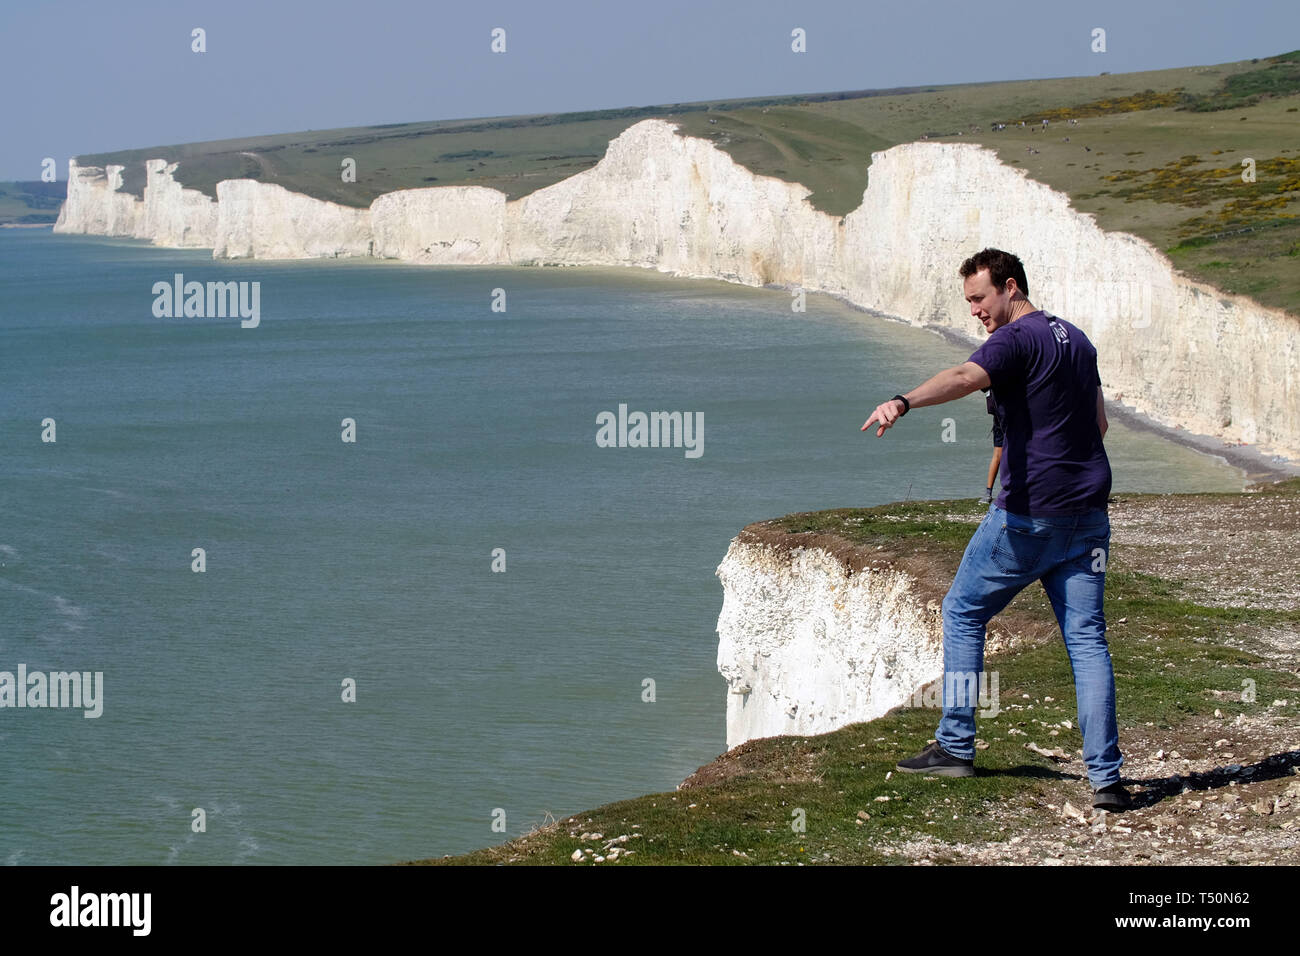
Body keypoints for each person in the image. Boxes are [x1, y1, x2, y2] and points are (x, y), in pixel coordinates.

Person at [860, 247, 1129, 812]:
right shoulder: (1077, 339)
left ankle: (955, 745)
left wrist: (902, 402)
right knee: (1086, 640)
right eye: (969, 303)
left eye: (980, 299)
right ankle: (1106, 780)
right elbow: (1099, 423)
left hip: (1029, 515)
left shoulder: (1012, 339)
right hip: (1089, 513)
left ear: (1010, 287)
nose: (976, 312)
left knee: (962, 610)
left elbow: (963, 376)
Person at [978, 388, 1003, 505]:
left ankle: (988, 493)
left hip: (998, 418)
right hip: (1011, 418)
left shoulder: (993, 377)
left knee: (997, 455)